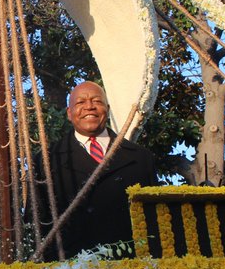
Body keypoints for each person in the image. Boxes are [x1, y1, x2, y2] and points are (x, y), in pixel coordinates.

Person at [42, 80, 157, 259]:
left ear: (107, 109)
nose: (89, 107)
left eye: (97, 101)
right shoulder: (47, 160)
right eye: (80, 102)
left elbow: (154, 218)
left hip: (131, 266)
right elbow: (39, 221)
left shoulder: (141, 158)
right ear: (69, 113)